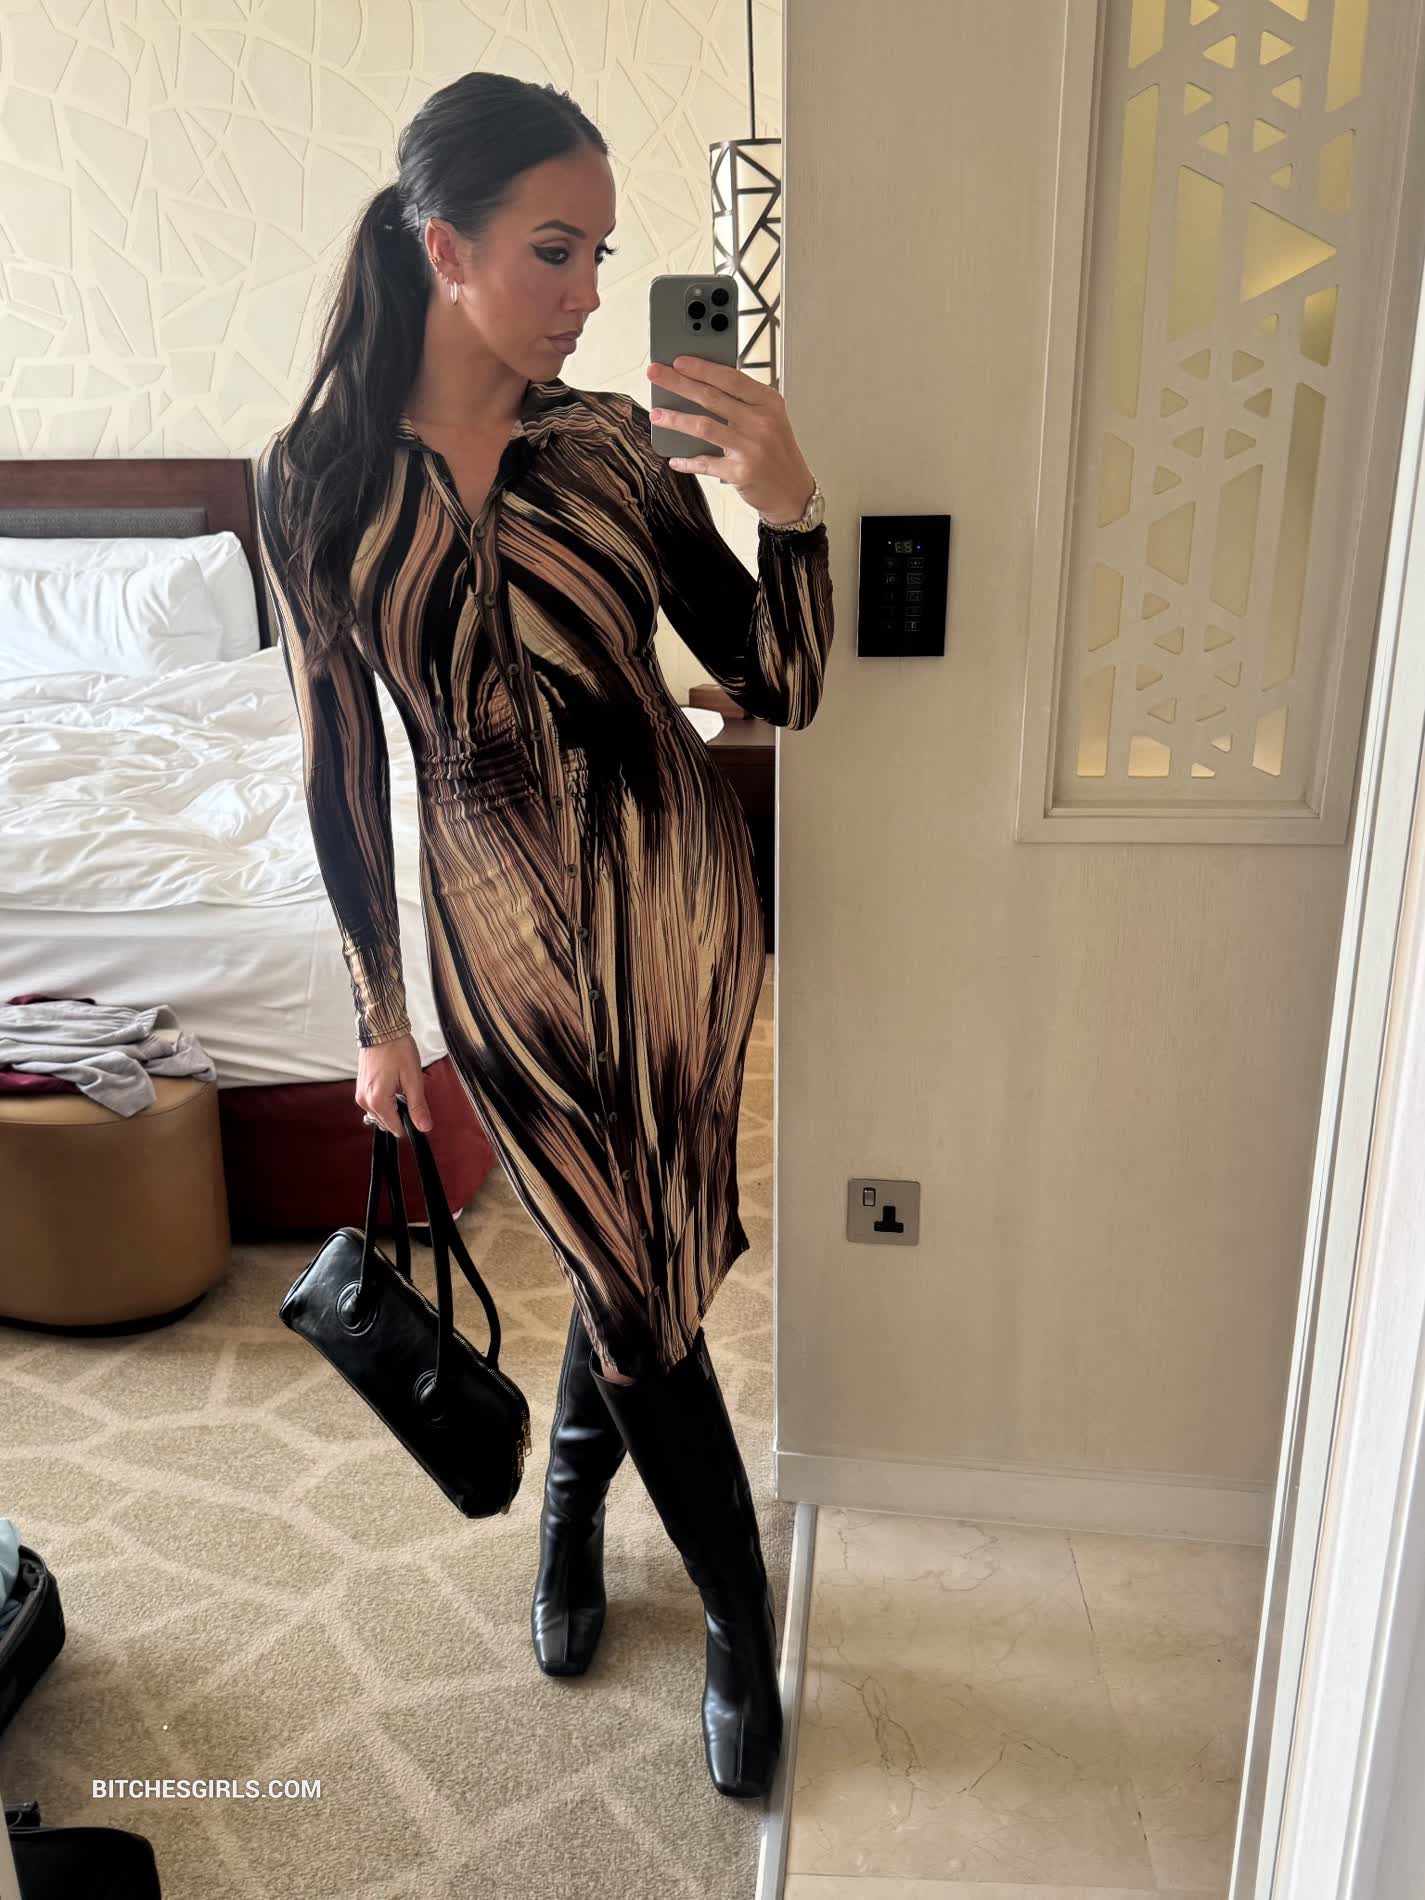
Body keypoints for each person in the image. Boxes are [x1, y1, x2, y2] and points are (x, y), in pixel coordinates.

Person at [253, 71, 833, 1802]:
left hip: (681, 907)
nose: (588, 291)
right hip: (495, 939)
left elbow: (776, 681)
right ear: (445, 247)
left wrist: (789, 505)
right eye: (554, 249)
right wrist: (378, 1014)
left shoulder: (608, 446)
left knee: (636, 1254)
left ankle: (570, 1506)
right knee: (635, 1281)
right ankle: (736, 1628)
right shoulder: (316, 482)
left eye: (602, 254)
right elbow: (338, 771)